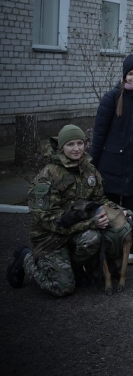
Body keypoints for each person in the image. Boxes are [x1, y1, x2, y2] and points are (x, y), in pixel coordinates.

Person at [6, 125, 120, 296]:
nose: (76, 149)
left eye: (80, 143)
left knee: (92, 238)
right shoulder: (48, 175)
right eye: (70, 144)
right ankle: (26, 258)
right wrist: (90, 223)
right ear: (61, 147)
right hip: (50, 236)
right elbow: (47, 219)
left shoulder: (89, 170)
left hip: (74, 232)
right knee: (62, 288)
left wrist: (122, 211)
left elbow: (98, 201)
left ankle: (73, 266)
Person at [89, 54, 133, 265]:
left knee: (132, 210)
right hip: (110, 165)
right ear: (124, 76)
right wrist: (92, 164)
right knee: (109, 210)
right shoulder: (111, 98)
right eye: (131, 74)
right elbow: (99, 133)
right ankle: (108, 247)